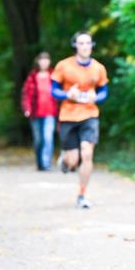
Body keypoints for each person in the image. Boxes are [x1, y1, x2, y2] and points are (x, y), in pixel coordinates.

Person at [51, 31, 109, 208]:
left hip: (90, 114)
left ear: (92, 46)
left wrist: (96, 98)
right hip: (68, 115)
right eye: (81, 43)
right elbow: (53, 90)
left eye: (88, 43)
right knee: (73, 160)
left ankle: (82, 194)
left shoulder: (98, 68)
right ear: (75, 46)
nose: (85, 47)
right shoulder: (63, 66)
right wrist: (68, 94)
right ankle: (66, 160)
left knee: (87, 153)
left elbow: (104, 92)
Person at [21, 51, 59, 171]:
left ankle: (46, 163)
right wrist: (26, 108)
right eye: (42, 60)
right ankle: (39, 162)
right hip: (35, 113)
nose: (44, 62)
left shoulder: (54, 75)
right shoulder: (32, 76)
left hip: (50, 112)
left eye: (46, 60)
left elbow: (59, 93)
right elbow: (26, 94)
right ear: (38, 61)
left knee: (48, 138)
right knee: (38, 139)